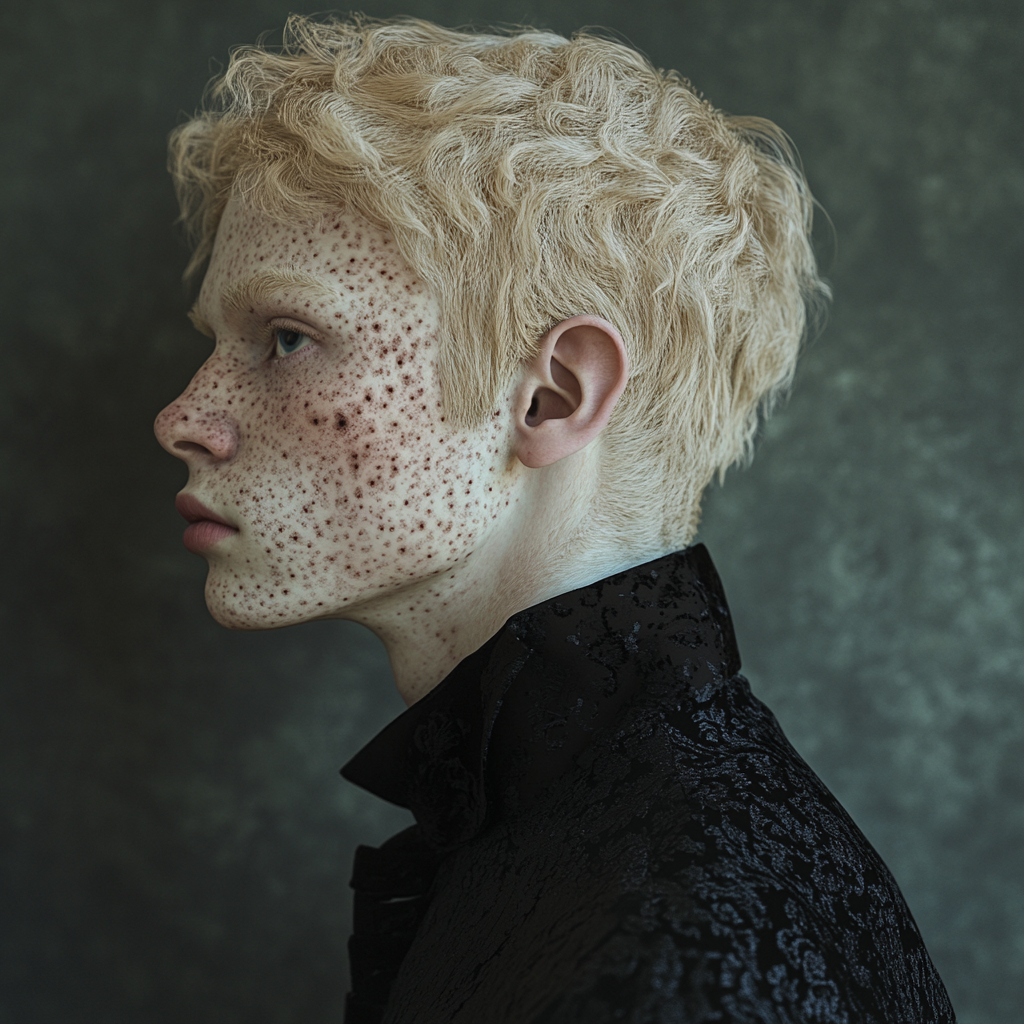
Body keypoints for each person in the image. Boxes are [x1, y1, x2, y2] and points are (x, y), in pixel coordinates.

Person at [154, 14, 955, 1023]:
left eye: (284, 337)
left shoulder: (670, 943)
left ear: (552, 397)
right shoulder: (598, 830)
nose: (182, 417)